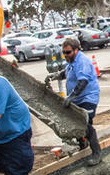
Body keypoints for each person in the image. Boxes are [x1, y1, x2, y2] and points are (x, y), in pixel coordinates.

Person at [44, 37, 102, 166]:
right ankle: (83, 143)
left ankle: (96, 153)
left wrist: (70, 97)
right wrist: (57, 75)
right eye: (64, 52)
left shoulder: (82, 61)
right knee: (74, 121)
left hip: (88, 98)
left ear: (76, 50)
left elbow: (82, 82)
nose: (65, 55)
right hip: (78, 98)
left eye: (68, 52)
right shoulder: (72, 60)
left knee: (85, 124)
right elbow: (68, 72)